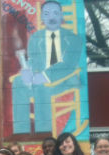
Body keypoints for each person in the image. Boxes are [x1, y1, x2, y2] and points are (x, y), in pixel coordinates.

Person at [11, 0, 83, 135]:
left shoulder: (73, 39)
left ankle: (43, 132)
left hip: (65, 80)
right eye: (47, 14)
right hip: (41, 79)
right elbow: (33, 61)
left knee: (41, 86)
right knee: (18, 82)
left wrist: (43, 76)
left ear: (61, 16)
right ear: (42, 17)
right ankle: (21, 132)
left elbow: (68, 65)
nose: (51, 17)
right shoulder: (36, 38)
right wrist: (27, 72)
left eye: (56, 13)